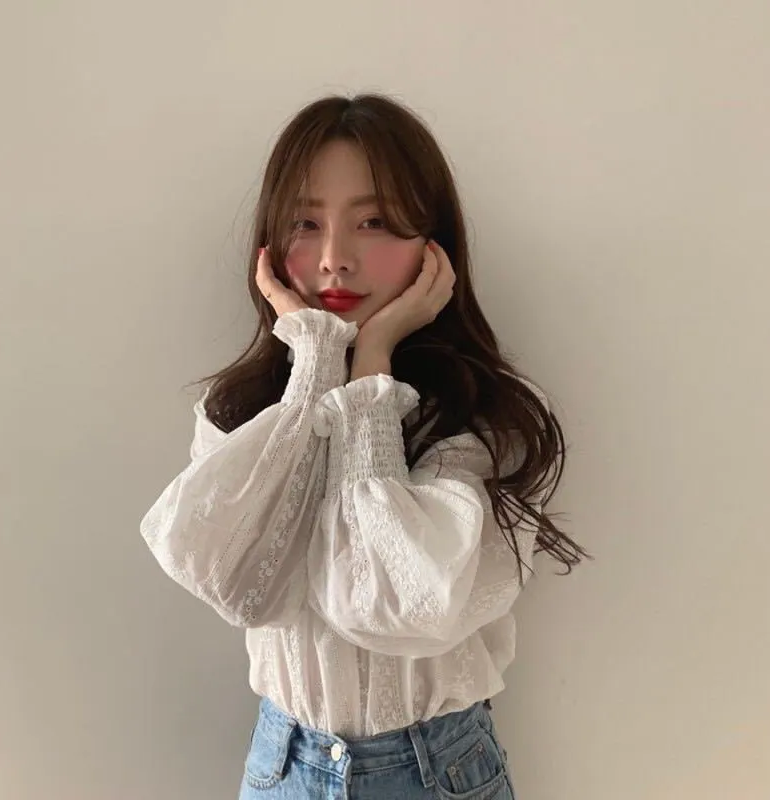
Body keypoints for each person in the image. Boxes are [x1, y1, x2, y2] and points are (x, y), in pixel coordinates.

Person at [140, 93, 590, 799]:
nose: (334, 260)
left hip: (438, 771)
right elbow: (238, 585)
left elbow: (398, 604)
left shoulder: (483, 419)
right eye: (305, 223)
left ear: (433, 241)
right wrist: (317, 361)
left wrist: (372, 362)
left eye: (373, 222)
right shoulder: (240, 413)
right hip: (283, 767)